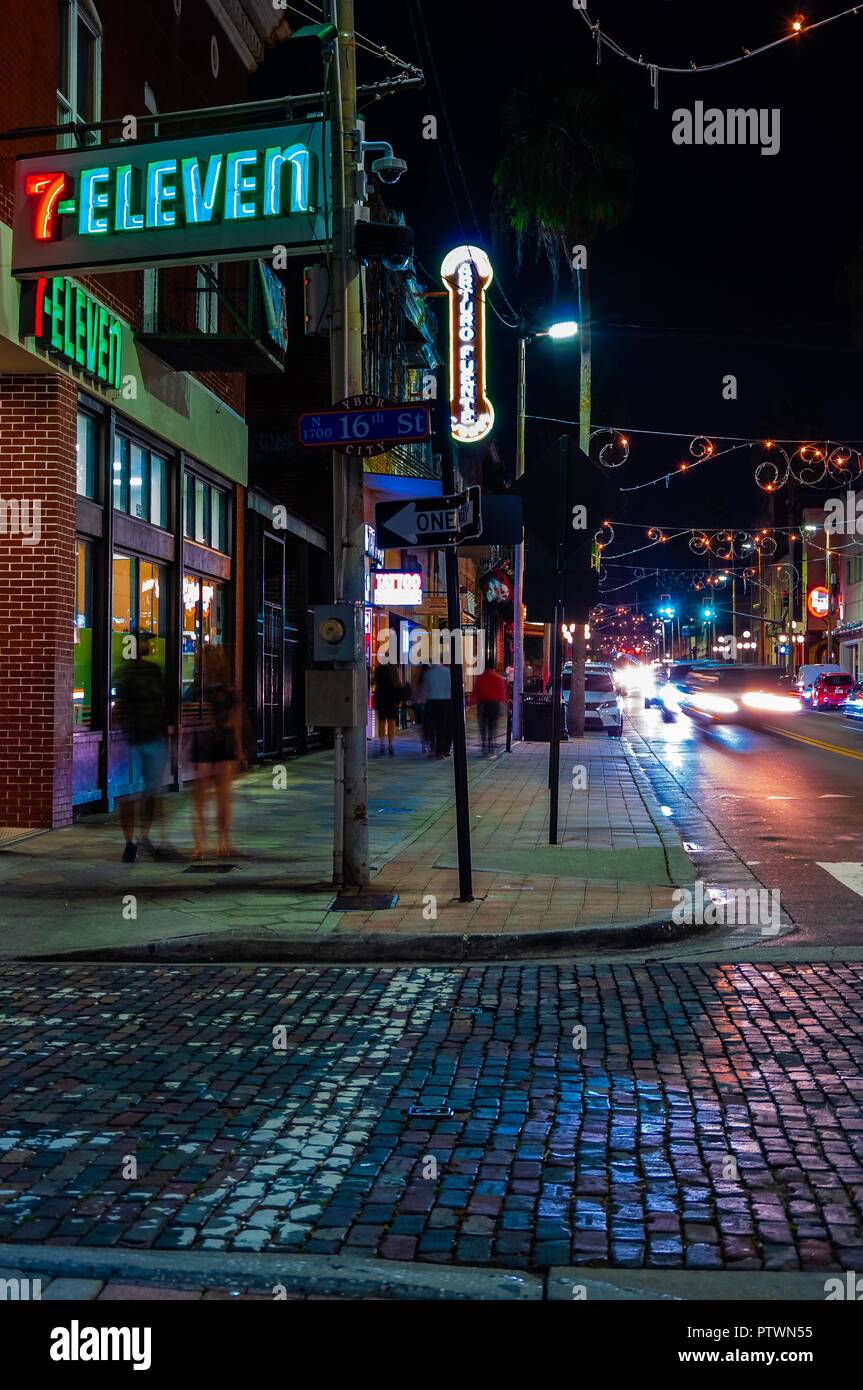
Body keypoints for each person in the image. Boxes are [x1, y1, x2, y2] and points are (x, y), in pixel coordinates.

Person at [113, 632, 173, 862]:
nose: (150, 644)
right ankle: (139, 838)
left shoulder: (125, 672)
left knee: (132, 794)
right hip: (144, 738)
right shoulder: (151, 672)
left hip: (135, 738)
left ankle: (132, 841)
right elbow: (162, 705)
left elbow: (119, 708)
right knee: (148, 792)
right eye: (147, 641)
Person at [190, 645, 244, 859]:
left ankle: (202, 845)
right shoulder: (227, 691)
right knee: (222, 797)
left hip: (206, 743)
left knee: (203, 798)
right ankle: (221, 841)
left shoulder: (197, 690)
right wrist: (239, 749)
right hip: (220, 743)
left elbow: (234, 720)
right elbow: (235, 721)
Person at [475, 662, 508, 755]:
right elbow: (502, 693)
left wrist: (477, 701)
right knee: (492, 725)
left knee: (483, 726)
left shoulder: (480, 678)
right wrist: (504, 705)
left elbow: (476, 692)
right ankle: (491, 744)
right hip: (494, 704)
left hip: (483, 704)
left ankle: (484, 745)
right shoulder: (498, 678)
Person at [372, 661, 403, 756]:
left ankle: (382, 744)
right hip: (392, 700)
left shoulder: (378, 669)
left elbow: (373, 682)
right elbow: (399, 684)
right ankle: (390, 745)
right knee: (391, 723)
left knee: (381, 722)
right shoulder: (394, 669)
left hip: (381, 699)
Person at [422, 660, 452, 758]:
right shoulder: (447, 672)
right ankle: (440, 751)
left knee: (432, 726)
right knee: (442, 727)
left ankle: (433, 748)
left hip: (432, 702)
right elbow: (450, 688)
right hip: (445, 702)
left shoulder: (428, 674)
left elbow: (425, 690)